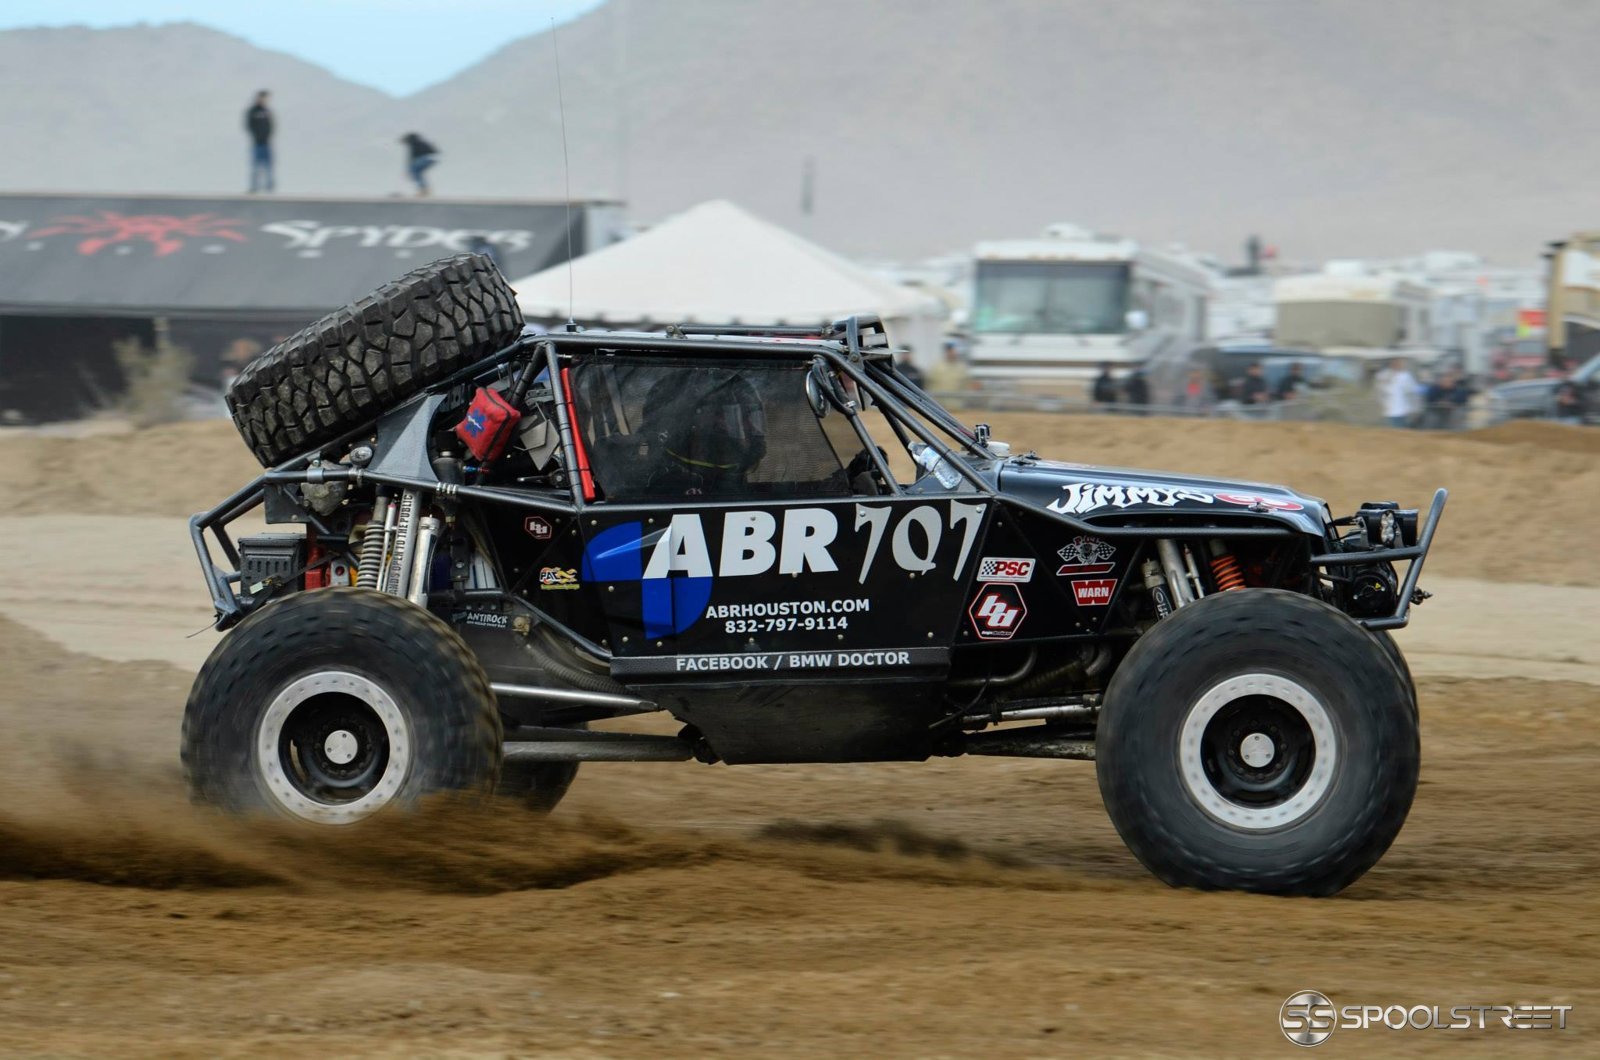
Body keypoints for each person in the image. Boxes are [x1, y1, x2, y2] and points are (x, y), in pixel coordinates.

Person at [245, 90, 274, 193]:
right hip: (257, 143)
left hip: (266, 143)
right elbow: (249, 125)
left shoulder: (266, 111)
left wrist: (268, 136)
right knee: (256, 166)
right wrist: (256, 136)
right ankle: (254, 186)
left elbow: (271, 125)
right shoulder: (253, 111)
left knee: (268, 166)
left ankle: (269, 187)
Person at [1381, 357, 1419, 428]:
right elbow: (1382, 390)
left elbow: (1412, 390)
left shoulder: (1406, 376)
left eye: (1399, 363)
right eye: (1395, 363)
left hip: (1403, 409)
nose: (1397, 365)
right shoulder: (1385, 375)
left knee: (1403, 428)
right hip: (1390, 408)